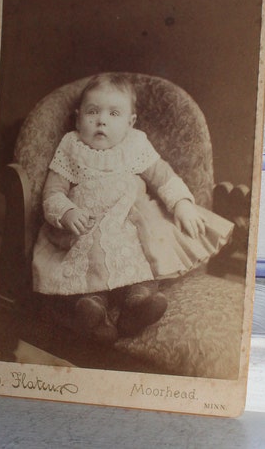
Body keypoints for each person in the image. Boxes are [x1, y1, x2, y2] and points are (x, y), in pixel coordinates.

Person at [31, 73, 233, 343]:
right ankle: (94, 311)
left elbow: (163, 177)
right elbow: (53, 192)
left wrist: (182, 204)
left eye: (114, 113)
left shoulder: (135, 144)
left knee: (144, 257)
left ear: (130, 122)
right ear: (78, 117)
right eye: (92, 112)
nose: (101, 120)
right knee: (91, 266)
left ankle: (137, 305)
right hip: (87, 226)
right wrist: (67, 213)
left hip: (130, 221)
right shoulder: (71, 146)